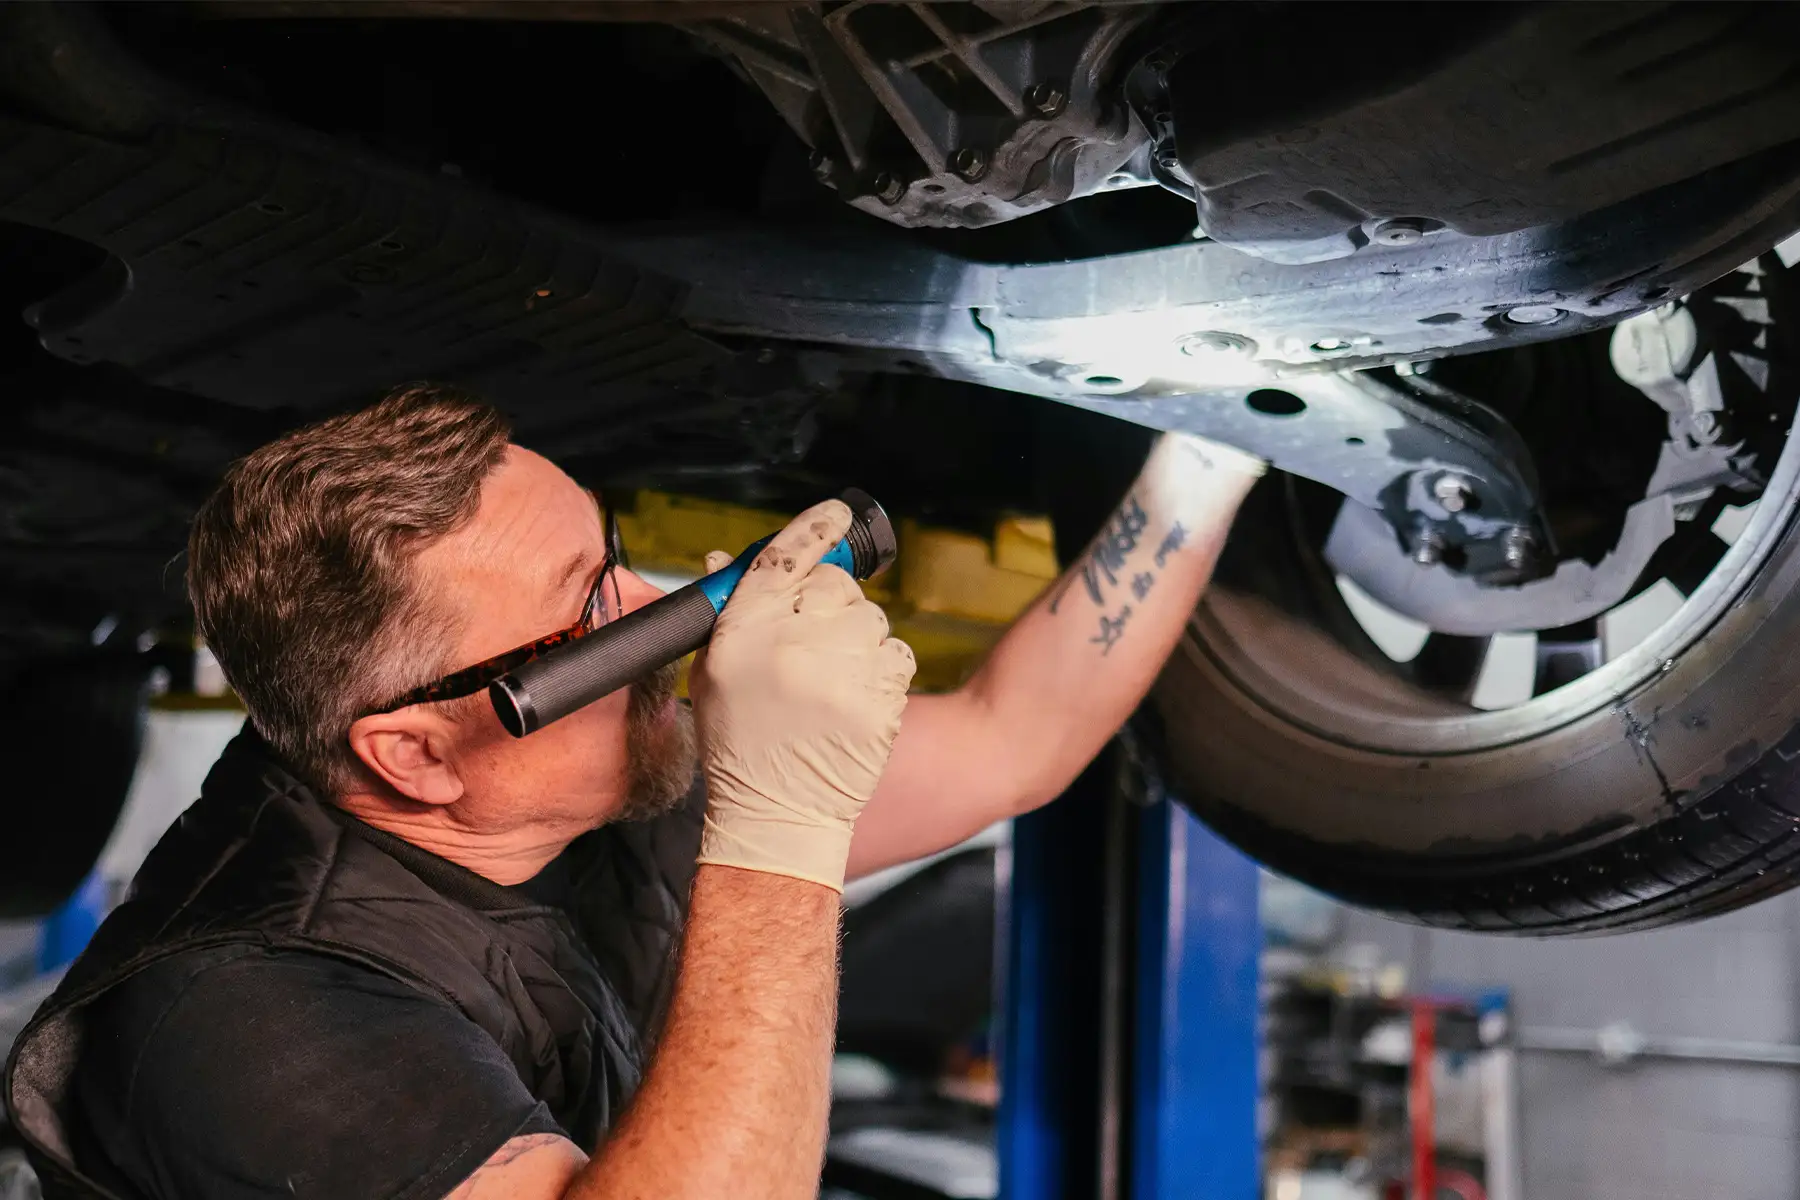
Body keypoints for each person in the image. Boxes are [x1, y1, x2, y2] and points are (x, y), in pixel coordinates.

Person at [4, 383, 1263, 1200]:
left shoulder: (585, 783)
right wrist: (781, 828)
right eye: (588, 620)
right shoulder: (242, 1018)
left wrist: (1209, 460)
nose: (657, 616)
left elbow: (1012, 737)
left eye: (615, 565)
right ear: (417, 753)